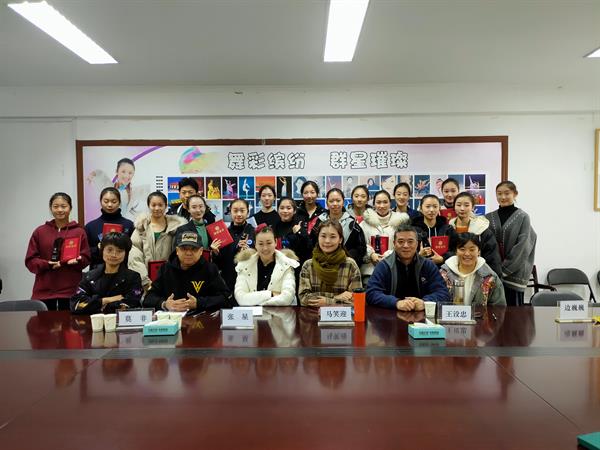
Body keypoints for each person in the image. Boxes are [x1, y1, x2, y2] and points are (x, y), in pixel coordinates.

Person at [25, 192, 91, 310]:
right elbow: (30, 261)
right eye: (56, 206)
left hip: (71, 291)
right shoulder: (40, 232)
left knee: (70, 322)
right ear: (51, 208)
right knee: (44, 322)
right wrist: (47, 264)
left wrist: (78, 261)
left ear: (70, 208)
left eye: (63, 206)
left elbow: (86, 258)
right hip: (43, 291)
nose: (60, 210)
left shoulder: (79, 232)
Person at [366, 224, 450, 310]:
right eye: (401, 242)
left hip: (422, 315)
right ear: (394, 244)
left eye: (410, 241)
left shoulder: (428, 265)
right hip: (390, 314)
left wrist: (424, 302)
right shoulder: (384, 266)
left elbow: (443, 293)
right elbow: (371, 293)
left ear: (417, 244)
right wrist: (396, 303)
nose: (406, 246)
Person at [144, 230, 231, 313]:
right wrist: (164, 304)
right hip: (172, 318)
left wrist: (198, 303)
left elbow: (226, 298)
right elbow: (148, 298)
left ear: (201, 251)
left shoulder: (210, 269)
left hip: (201, 318)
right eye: (184, 249)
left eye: (194, 249)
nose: (189, 253)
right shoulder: (165, 268)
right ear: (177, 251)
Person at [486, 181, 537, 306]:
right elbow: (486, 244)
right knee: (494, 311)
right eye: (499, 194)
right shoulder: (488, 217)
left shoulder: (523, 217)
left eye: (507, 193)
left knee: (513, 313)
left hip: (514, 273)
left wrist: (503, 270)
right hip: (492, 273)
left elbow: (523, 246)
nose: (503, 197)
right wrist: (493, 270)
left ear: (515, 194)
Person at [70, 232, 143, 314]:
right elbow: (76, 305)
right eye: (109, 250)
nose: (114, 255)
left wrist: (94, 304)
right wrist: (104, 300)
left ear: (126, 254)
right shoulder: (89, 276)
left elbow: (131, 304)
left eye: (119, 251)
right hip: (92, 321)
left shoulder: (133, 277)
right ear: (102, 250)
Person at [128, 191, 186, 290]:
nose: (157, 208)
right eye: (153, 205)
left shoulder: (177, 228)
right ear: (148, 206)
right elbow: (134, 257)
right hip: (146, 282)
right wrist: (145, 280)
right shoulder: (141, 228)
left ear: (166, 206)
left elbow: (181, 256)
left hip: (171, 279)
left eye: (160, 205)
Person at [298, 220, 362, 307]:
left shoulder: (350, 265)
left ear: (340, 240)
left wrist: (328, 302)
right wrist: (336, 298)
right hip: (313, 314)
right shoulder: (308, 265)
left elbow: (356, 300)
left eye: (333, 237)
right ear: (318, 237)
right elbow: (303, 298)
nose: (327, 241)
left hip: (342, 315)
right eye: (323, 236)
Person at [234, 225, 300, 306]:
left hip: (279, 313)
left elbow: (287, 298)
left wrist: (257, 302)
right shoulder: (244, 265)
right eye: (261, 244)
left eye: (269, 243)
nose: (265, 248)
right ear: (255, 244)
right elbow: (241, 298)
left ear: (275, 242)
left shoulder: (287, 264)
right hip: (253, 314)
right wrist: (270, 294)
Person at [440, 233, 506, 306]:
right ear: (456, 251)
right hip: (449, 314)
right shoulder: (443, 274)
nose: (467, 254)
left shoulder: (490, 277)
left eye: (472, 250)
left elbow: (499, 306)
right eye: (462, 249)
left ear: (478, 252)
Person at [448, 191, 503, 278]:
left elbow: (493, 258)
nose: (462, 208)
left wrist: (493, 279)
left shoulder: (482, 229)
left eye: (466, 205)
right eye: (458, 205)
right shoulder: (448, 229)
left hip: (478, 276)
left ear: (473, 207)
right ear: (454, 207)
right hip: (453, 276)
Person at [359, 190, 410, 282]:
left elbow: (404, 244)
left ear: (390, 203)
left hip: (394, 269)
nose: (382, 206)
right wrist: (371, 254)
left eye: (385, 202)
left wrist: (389, 255)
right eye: (378, 202)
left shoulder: (400, 222)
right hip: (370, 271)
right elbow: (360, 243)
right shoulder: (364, 223)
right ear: (373, 204)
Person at [311, 188, 366, 267]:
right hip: (321, 264)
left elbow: (361, 248)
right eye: (331, 201)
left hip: (345, 266)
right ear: (327, 203)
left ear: (343, 202)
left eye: (338, 201)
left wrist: (346, 258)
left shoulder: (352, 223)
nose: (335, 204)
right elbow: (312, 244)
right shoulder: (319, 221)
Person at [85, 187, 134, 269]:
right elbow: (86, 253)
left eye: (114, 201)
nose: (110, 205)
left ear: (119, 202)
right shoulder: (90, 226)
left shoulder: (129, 225)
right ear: (100, 202)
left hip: (123, 271)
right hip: (97, 272)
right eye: (106, 201)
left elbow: (134, 252)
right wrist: (98, 248)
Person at [213, 198, 255, 291]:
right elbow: (219, 264)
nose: (239, 214)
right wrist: (215, 253)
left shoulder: (254, 232)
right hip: (229, 280)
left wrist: (248, 252)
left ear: (248, 212)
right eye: (235, 211)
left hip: (249, 279)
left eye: (242, 211)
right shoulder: (223, 233)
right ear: (230, 212)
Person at [273, 197, 313, 273]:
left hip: (298, 268)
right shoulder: (274, 227)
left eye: (288, 208)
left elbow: (309, 247)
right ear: (278, 210)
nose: (285, 211)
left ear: (294, 211)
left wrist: (299, 232)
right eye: (282, 208)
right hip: (279, 268)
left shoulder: (300, 225)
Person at [411, 194, 452, 266]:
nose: (432, 210)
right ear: (421, 209)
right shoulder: (413, 230)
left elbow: (455, 250)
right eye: (428, 206)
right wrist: (419, 255)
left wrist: (443, 258)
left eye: (435, 206)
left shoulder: (447, 228)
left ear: (439, 208)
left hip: (443, 268)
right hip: (419, 268)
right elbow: (406, 252)